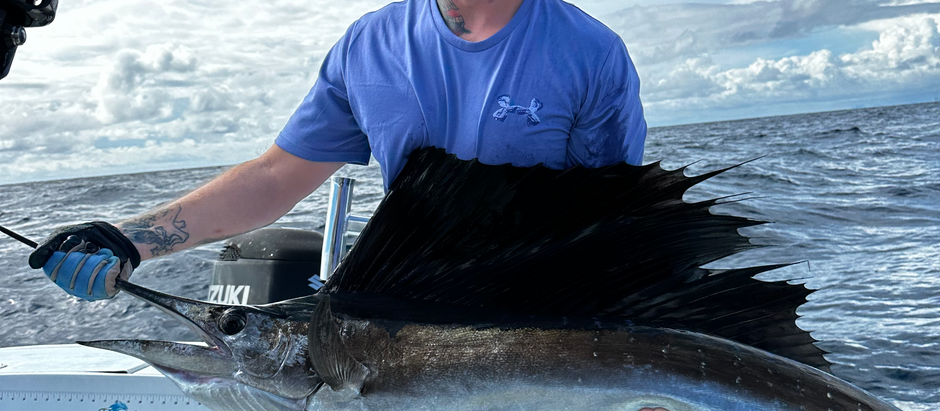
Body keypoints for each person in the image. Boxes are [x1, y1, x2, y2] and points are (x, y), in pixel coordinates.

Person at [29, 0, 647, 301]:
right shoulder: (367, 46)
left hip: (546, 319)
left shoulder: (590, 52)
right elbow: (274, 178)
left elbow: (617, 225)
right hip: (405, 314)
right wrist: (130, 238)